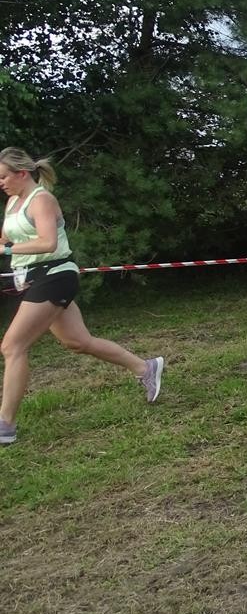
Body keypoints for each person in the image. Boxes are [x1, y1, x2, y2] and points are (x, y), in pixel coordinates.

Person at [1, 148, 164, 445]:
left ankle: (5, 426)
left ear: (21, 173)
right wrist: (5, 245)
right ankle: (145, 367)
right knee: (77, 342)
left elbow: (48, 243)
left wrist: (8, 250)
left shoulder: (42, 200)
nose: (1, 183)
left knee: (13, 346)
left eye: (3, 177)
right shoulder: (13, 202)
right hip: (32, 278)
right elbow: (7, 238)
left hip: (54, 276)